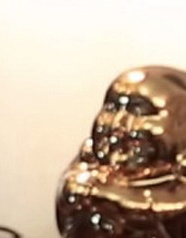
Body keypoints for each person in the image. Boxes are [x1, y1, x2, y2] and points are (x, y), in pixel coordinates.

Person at [56, 66, 186, 238]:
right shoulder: (88, 166)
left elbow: (170, 206)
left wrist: (106, 194)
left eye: (140, 111)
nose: (119, 122)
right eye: (112, 107)